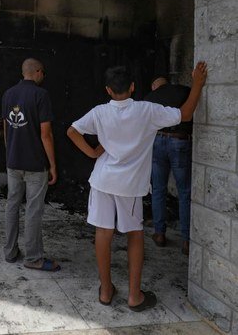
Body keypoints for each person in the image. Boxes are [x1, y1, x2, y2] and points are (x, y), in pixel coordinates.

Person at [66, 62, 206, 311]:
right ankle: (134, 296)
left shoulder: (99, 112)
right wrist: (197, 84)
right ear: (132, 87)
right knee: (134, 235)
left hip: (102, 180)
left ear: (108, 90)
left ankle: (106, 291)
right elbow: (185, 114)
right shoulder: (146, 111)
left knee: (103, 233)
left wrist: (92, 152)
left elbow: (72, 131)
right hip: (129, 186)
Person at [2, 58, 59, 271]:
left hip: (13, 162)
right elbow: (46, 134)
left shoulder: (8, 94)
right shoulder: (41, 95)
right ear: (36, 71)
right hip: (35, 164)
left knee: (12, 205)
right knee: (33, 210)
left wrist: (10, 153)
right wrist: (52, 165)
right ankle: (33, 258)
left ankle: (10, 252)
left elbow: (7, 127)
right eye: (42, 72)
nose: (43, 76)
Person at [143, 76, 193, 255]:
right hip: (179, 141)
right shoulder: (184, 91)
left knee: (158, 189)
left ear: (155, 85)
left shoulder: (150, 97)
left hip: (157, 141)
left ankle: (159, 234)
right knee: (185, 192)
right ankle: (187, 241)